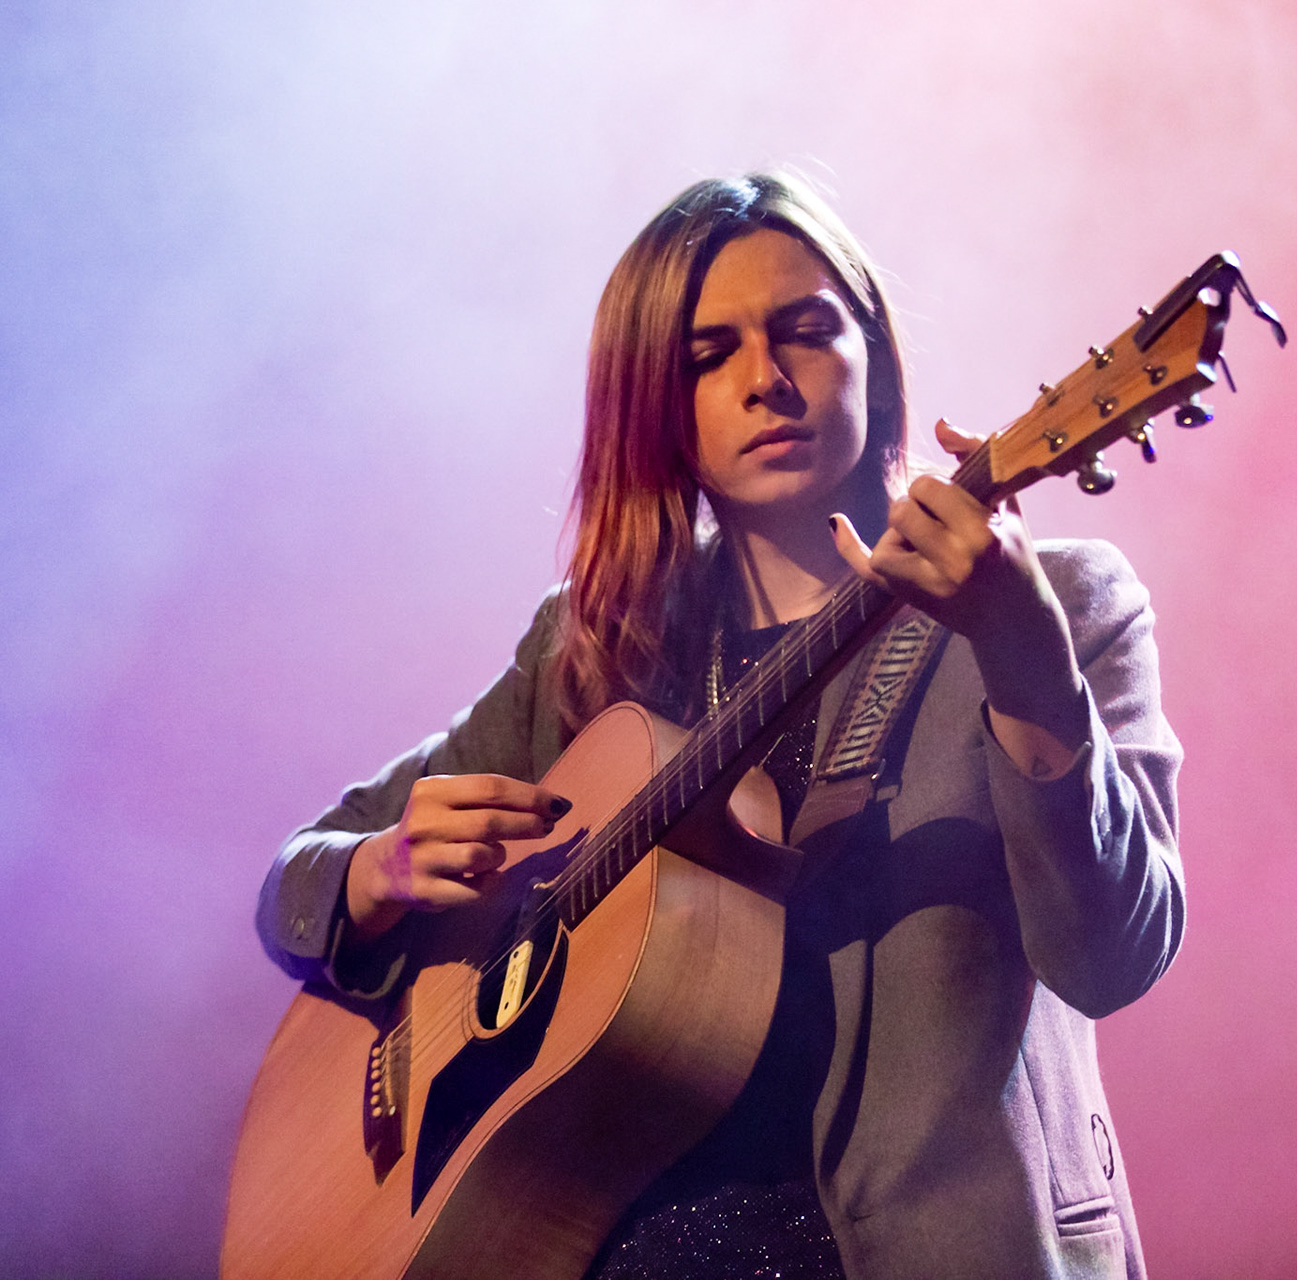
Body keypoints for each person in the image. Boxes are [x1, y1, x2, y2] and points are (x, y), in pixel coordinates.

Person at [256, 172, 1184, 1279]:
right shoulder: (592, 648)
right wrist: (378, 871)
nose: (766, 382)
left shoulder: (1057, 604)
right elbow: (295, 881)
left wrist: (1023, 657)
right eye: (709, 355)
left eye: (805, 332)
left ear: (874, 357)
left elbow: (1114, 955)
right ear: (655, 401)